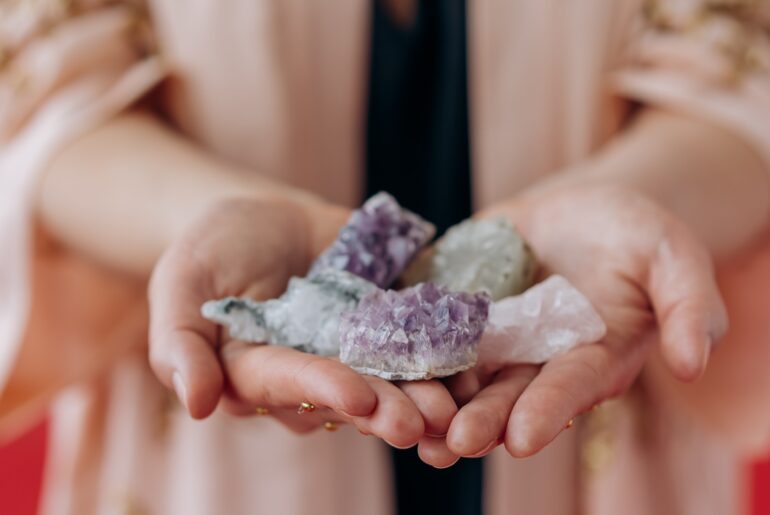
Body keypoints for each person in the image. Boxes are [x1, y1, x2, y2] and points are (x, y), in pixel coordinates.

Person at [1, 1, 769, 514]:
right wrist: (192, 218)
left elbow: (746, 54)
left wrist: (641, 199)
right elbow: (35, 79)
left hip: (603, 452)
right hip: (210, 470)